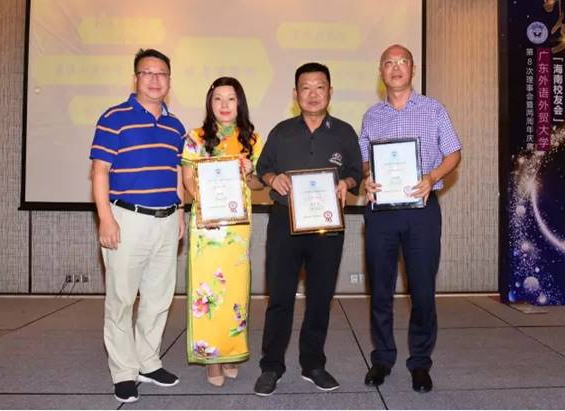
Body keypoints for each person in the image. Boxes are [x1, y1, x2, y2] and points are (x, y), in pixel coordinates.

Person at [253, 62, 363, 396]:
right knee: (280, 297)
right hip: (284, 224)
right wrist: (273, 178)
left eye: (319, 87)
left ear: (330, 91)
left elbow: (357, 173)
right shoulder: (281, 132)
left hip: (327, 228)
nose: (313, 94)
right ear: (295, 94)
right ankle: (271, 365)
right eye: (305, 88)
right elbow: (262, 170)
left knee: (320, 297)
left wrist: (346, 183)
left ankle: (313, 364)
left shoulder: (344, 132)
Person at [359, 44, 462, 393]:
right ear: (381, 72)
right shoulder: (371, 116)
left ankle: (420, 361)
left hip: (422, 212)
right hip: (382, 213)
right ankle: (382, 357)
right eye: (388, 63)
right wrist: (366, 177)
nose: (396, 68)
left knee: (422, 289)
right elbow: (364, 160)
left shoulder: (433, 109)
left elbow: (454, 153)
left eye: (402, 61)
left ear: (412, 69)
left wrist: (432, 178)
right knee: (380, 288)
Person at [90, 48, 186, 403]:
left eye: (162, 74)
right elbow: (100, 171)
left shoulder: (176, 126)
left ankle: (148, 361)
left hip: (166, 221)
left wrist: (180, 212)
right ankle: (124, 372)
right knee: (121, 300)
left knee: (159, 299)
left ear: (169, 80)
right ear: (136, 78)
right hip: (126, 220)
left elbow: (176, 173)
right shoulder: (114, 117)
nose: (155, 80)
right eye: (148, 73)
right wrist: (105, 218)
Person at [181, 77, 264, 387]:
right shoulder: (196, 137)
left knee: (234, 292)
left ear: (239, 102)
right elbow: (187, 179)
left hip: (237, 231)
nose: (225, 105)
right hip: (207, 228)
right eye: (218, 98)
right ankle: (211, 358)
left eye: (231, 98)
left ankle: (230, 352)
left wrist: (250, 172)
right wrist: (205, 208)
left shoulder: (252, 139)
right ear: (210, 103)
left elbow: (258, 185)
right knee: (207, 291)